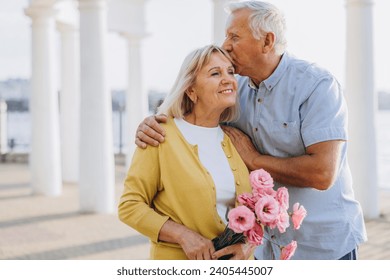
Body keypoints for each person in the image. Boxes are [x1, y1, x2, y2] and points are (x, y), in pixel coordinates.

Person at [134, 1, 367, 260]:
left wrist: (255, 160)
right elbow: (194, 111)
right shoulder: (233, 90)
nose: (226, 45)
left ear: (267, 41)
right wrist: (153, 122)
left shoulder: (317, 86)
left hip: (323, 246)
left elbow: (323, 173)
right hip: (262, 249)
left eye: (234, 36)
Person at [118, 45, 254, 260]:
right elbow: (130, 206)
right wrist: (182, 235)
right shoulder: (159, 136)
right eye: (215, 73)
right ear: (191, 90)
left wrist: (247, 246)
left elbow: (250, 209)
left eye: (230, 72)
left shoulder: (235, 140)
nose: (228, 79)